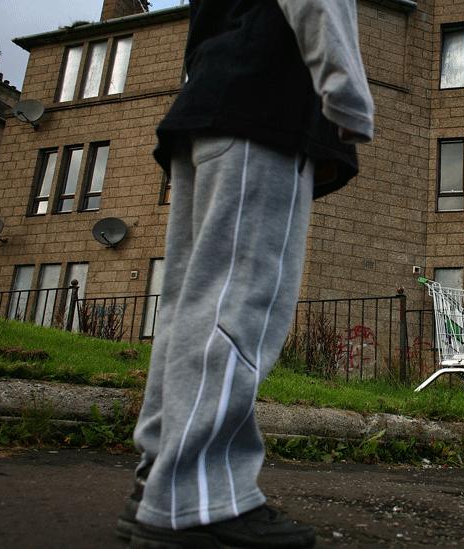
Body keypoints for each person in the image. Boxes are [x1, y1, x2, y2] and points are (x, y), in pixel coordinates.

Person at [116, 0, 374, 547]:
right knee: (239, 306)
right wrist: (346, 90)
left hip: (209, 107)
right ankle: (195, 500)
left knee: (191, 309)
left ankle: (158, 482)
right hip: (265, 109)